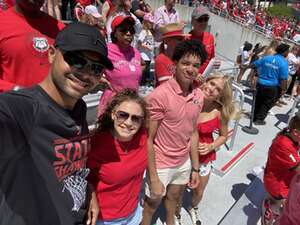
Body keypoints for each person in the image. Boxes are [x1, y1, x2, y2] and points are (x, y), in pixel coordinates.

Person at [0, 22, 114, 225]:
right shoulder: (19, 109)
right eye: (76, 60)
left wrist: (89, 190)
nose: (86, 74)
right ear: (51, 54)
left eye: (96, 68)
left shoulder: (78, 107)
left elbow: (73, 167)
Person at [141, 40, 207, 225]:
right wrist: (153, 177)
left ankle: (170, 221)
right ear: (175, 64)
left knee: (175, 196)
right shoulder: (159, 95)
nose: (190, 69)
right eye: (185, 63)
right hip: (161, 162)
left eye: (195, 65)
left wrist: (195, 167)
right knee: (152, 204)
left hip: (183, 162)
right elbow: (148, 139)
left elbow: (193, 132)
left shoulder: (199, 95)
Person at [87, 89, 148, 225]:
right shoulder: (96, 143)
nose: (128, 122)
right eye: (123, 115)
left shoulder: (143, 136)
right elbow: (85, 179)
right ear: (113, 115)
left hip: (133, 213)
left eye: (136, 118)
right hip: (105, 218)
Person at [187, 73, 238, 225]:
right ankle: (175, 210)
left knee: (199, 190)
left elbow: (223, 136)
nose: (211, 89)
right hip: (181, 152)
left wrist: (211, 146)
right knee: (177, 188)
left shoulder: (219, 112)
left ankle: (193, 207)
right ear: (205, 82)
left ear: (221, 95)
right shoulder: (189, 98)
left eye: (218, 89)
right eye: (211, 83)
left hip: (204, 156)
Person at [0, 0, 65, 92]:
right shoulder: (2, 23)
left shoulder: (60, 29)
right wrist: (16, 90)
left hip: (53, 104)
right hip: (13, 103)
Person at [98, 15, 142, 115]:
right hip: (112, 104)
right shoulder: (106, 50)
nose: (128, 33)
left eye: (131, 30)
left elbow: (142, 65)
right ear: (115, 33)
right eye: (124, 30)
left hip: (131, 103)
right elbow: (90, 67)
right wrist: (102, 79)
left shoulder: (135, 52)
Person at [262, 113, 300, 225]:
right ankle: (268, 207)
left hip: (286, 179)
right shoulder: (284, 144)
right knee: (290, 210)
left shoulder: (292, 137)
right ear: (296, 132)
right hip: (277, 185)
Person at [250, 43, 289, 125]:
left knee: (258, 100)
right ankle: (259, 120)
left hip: (260, 84)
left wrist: (244, 67)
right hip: (272, 87)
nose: (288, 53)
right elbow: (283, 79)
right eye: (287, 51)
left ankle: (254, 116)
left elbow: (254, 64)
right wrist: (284, 89)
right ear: (284, 52)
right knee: (267, 103)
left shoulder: (267, 58)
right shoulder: (284, 63)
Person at [190, 6, 221, 75]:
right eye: (200, 19)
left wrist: (215, 64)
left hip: (204, 80)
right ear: (192, 21)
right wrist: (195, 75)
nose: (203, 22)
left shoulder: (210, 38)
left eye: (206, 19)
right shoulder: (186, 39)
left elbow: (211, 59)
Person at [137, 13, 155, 86]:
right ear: (146, 22)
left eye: (152, 22)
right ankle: (141, 83)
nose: (151, 24)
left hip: (148, 55)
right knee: (144, 71)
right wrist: (147, 47)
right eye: (150, 22)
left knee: (147, 70)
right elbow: (139, 42)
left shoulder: (149, 32)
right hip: (143, 55)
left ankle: (144, 84)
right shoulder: (143, 32)